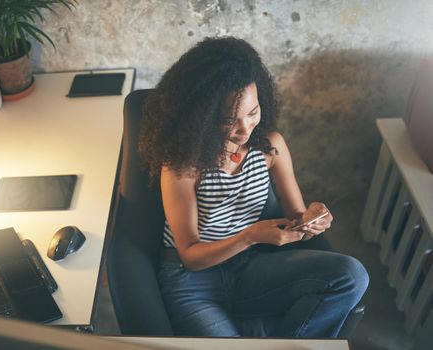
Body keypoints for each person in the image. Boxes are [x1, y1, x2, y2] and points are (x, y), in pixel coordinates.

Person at [138, 36, 369, 338]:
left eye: (252, 112)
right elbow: (191, 255)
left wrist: (312, 219)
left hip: (249, 268)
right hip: (192, 280)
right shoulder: (183, 164)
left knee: (352, 276)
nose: (245, 129)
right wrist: (250, 237)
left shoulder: (271, 147)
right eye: (228, 121)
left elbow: (297, 215)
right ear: (201, 118)